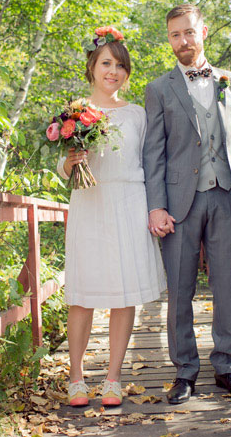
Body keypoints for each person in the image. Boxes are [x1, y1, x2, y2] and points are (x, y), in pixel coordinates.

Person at [142, 4, 231, 404]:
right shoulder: (158, 89)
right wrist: (156, 206)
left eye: (188, 32)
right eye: (175, 35)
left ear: (203, 31)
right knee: (180, 291)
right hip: (178, 202)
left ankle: (227, 367)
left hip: (225, 196)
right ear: (169, 39)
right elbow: (152, 153)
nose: (183, 41)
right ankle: (185, 371)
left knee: (227, 286)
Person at [57, 26, 166, 408]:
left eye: (120, 65)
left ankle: (113, 379)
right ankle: (75, 379)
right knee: (82, 295)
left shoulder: (138, 114)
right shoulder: (75, 112)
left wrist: (157, 207)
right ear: (92, 66)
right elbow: (63, 168)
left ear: (127, 72)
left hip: (129, 203)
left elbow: (151, 163)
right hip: (90, 203)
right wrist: (71, 162)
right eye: (106, 63)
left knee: (124, 294)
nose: (113, 71)